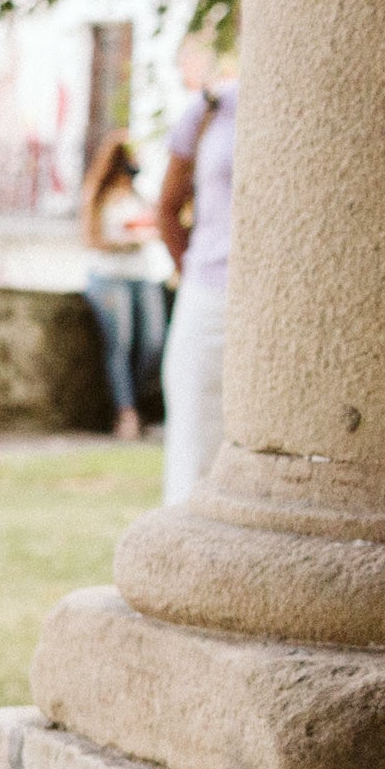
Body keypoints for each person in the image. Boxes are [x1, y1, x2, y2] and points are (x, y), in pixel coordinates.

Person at [156, 46, 240, 504]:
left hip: (286, 302)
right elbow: (167, 207)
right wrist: (194, 270)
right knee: (193, 447)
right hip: (209, 293)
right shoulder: (213, 107)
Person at [80, 132, 168, 444]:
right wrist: (125, 241)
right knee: (120, 343)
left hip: (141, 275)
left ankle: (141, 404)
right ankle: (126, 413)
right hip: (109, 276)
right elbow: (93, 239)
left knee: (153, 343)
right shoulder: (100, 198)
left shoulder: (139, 197)